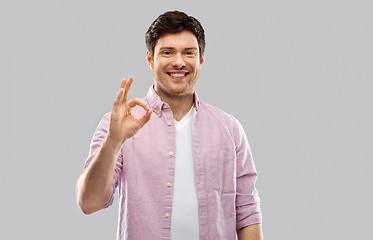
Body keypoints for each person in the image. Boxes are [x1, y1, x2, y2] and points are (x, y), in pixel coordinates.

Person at [76, 10, 263, 240]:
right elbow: (89, 202)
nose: (178, 62)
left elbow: (247, 212)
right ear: (150, 59)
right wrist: (114, 141)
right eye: (167, 52)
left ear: (201, 59)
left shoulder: (229, 129)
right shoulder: (117, 125)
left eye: (189, 52)